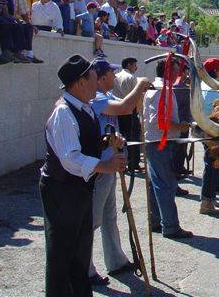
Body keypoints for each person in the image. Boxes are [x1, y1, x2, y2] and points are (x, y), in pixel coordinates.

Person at [40, 54, 127, 297]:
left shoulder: (85, 107)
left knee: (80, 250)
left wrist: (106, 141)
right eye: (92, 78)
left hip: (79, 189)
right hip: (62, 190)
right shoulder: (64, 113)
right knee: (62, 254)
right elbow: (70, 158)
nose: (97, 83)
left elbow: (84, 144)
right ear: (79, 83)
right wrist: (105, 166)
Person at [88, 58, 152, 285]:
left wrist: (141, 92)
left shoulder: (107, 96)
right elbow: (125, 107)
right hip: (98, 168)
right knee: (92, 220)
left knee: (109, 216)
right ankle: (84, 268)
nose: (115, 77)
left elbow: (129, 106)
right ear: (102, 77)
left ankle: (115, 260)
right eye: (111, 74)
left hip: (111, 165)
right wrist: (139, 84)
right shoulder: (94, 98)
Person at [142, 58, 193, 238]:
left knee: (157, 184)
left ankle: (157, 220)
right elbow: (160, 121)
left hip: (157, 142)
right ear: (168, 71)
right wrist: (181, 127)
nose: (179, 74)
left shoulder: (159, 88)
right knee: (165, 185)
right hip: (160, 143)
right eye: (176, 70)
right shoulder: (161, 90)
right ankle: (170, 226)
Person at [200, 58, 219, 216]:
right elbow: (216, 114)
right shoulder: (211, 90)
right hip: (212, 134)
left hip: (211, 132)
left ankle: (210, 198)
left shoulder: (209, 87)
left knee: (213, 167)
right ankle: (206, 202)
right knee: (211, 167)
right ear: (216, 71)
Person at [113, 57, 144, 172]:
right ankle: (133, 163)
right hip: (130, 111)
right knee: (133, 138)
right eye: (135, 65)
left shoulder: (115, 77)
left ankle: (122, 162)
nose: (136, 67)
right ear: (129, 65)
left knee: (120, 138)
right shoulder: (132, 77)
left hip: (117, 111)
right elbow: (136, 97)